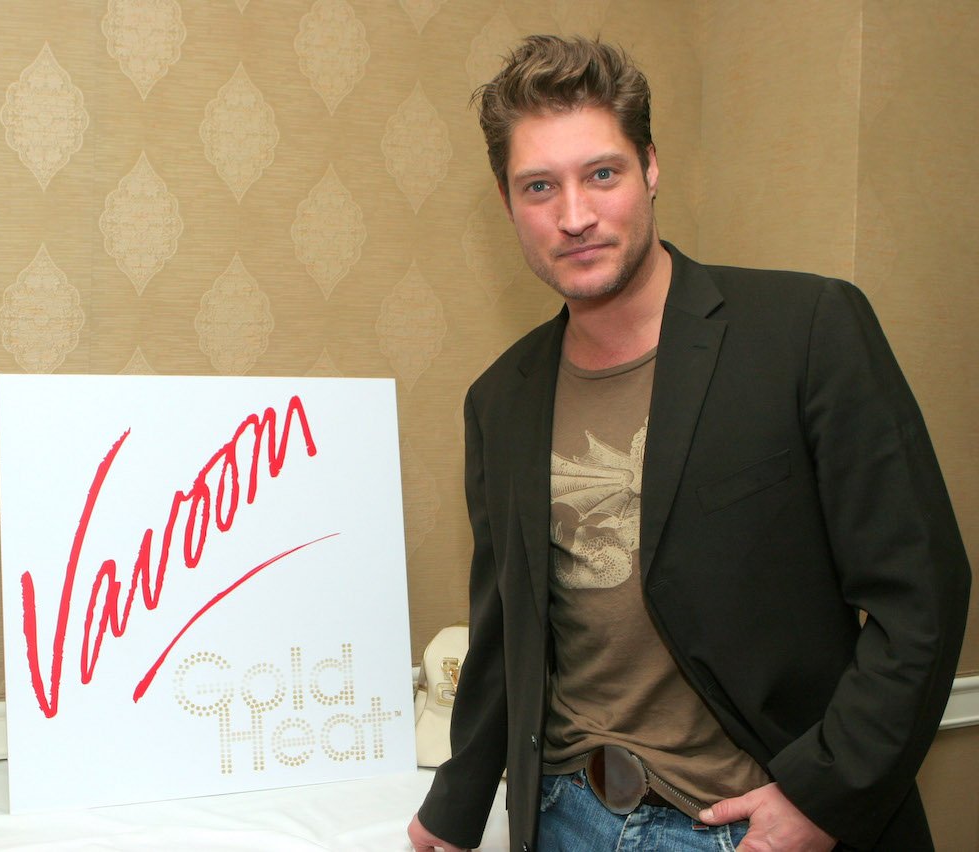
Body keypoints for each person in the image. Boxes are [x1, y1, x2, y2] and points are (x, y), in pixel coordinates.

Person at [407, 34, 971, 852]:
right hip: (564, 815)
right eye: (540, 187)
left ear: (651, 169)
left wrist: (821, 800)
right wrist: (454, 808)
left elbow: (921, 595)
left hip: (747, 824)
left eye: (603, 173)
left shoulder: (806, 331)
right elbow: (506, 634)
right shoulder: (501, 399)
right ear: (506, 203)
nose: (575, 216)